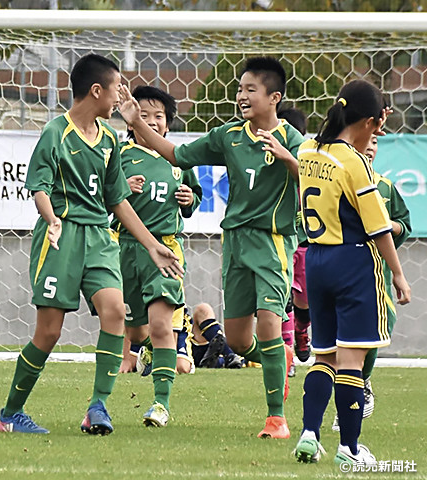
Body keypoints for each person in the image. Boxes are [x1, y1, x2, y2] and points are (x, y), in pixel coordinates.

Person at [0, 54, 183, 435]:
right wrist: (50, 219)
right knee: (49, 332)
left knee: (115, 309)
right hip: (62, 236)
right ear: (97, 90)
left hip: (99, 236)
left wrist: (150, 244)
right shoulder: (56, 132)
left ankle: (97, 405)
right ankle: (10, 413)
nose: (120, 96)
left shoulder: (110, 139)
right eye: (117, 88)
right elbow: (40, 187)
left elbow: (117, 200)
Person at [120, 56, 304, 439]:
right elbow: (176, 154)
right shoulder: (229, 136)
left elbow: (318, 178)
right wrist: (137, 122)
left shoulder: (294, 141)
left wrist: (288, 160)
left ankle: (276, 419)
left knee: (269, 322)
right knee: (238, 340)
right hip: (234, 242)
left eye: (250, 89)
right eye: (239, 89)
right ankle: (278, 357)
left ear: (274, 97)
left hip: (272, 242)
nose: (241, 96)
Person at [293, 80, 410, 466]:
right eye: (376, 125)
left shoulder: (308, 149)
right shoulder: (355, 163)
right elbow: (379, 229)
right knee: (351, 363)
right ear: (369, 122)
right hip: (353, 263)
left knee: (323, 358)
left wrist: (371, 119)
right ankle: (350, 449)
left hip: (316, 261)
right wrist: (398, 275)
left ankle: (309, 434)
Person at [110, 85, 202, 426]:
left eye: (158, 116)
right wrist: (121, 188)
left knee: (164, 326)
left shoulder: (177, 158)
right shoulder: (119, 156)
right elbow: (103, 200)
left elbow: (196, 197)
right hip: (126, 249)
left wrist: (188, 200)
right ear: (131, 121)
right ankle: (145, 345)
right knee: (136, 332)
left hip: (167, 250)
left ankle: (160, 404)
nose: (151, 121)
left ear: (167, 124)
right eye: (143, 115)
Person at [331, 133, 412, 431]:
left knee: (375, 329)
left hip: (374, 273)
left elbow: (404, 225)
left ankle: (360, 387)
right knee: (338, 343)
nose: (370, 147)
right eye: (365, 142)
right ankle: (340, 404)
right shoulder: (337, 181)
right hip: (338, 270)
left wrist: (387, 225)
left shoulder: (386, 187)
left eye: (376, 144)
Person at [277, 106, 310, 378]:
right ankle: (286, 354)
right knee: (283, 301)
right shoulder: (270, 166)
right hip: (283, 241)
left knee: (304, 305)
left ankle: (301, 331)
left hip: (309, 247)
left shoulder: (308, 166)